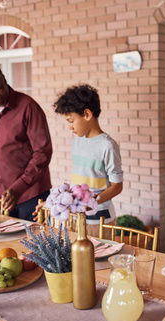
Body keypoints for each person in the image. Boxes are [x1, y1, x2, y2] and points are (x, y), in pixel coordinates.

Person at [0, 61, 52, 221]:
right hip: (1, 196)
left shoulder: (28, 107)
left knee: (33, 245)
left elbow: (43, 153)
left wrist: (18, 188)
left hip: (32, 196)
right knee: (4, 245)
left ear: (4, 79)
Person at [48, 84, 123, 237]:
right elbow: (81, 179)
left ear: (87, 114)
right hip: (77, 218)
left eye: (71, 121)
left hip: (100, 221)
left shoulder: (107, 146)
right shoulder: (77, 142)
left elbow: (117, 187)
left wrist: (90, 203)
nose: (69, 127)